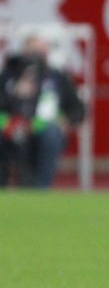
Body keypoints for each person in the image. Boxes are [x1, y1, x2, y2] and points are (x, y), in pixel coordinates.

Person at [0, 32, 85, 188]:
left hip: (42, 126)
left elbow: (78, 108)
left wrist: (66, 121)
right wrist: (14, 93)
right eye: (33, 51)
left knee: (51, 133)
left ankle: (40, 189)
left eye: (41, 51)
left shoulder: (57, 77)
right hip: (10, 126)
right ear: (23, 52)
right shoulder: (8, 75)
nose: (37, 56)